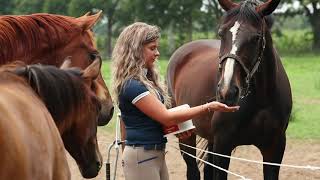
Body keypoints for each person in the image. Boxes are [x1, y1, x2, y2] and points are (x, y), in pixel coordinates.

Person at [112, 22, 239, 180]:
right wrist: (209, 107)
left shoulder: (144, 82)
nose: (157, 53)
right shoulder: (132, 86)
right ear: (136, 50)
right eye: (152, 48)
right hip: (142, 157)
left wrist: (176, 128)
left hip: (153, 155)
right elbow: (165, 116)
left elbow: (154, 119)